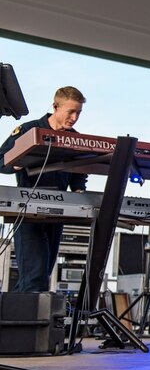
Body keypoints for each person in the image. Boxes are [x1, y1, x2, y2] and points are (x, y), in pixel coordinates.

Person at [0, 86, 88, 292]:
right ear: (55, 107)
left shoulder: (75, 138)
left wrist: (78, 192)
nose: (74, 117)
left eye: (79, 113)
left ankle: (14, 319)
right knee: (34, 280)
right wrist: (18, 161)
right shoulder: (28, 131)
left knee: (41, 277)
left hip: (58, 213)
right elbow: (0, 160)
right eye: (71, 112)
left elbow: (79, 173)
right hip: (29, 213)